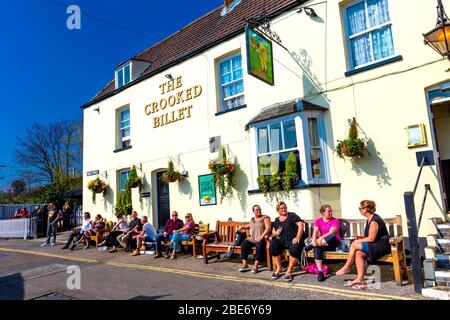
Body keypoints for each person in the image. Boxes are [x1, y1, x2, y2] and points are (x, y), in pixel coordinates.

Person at [335, 200, 391, 289]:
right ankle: (360, 278)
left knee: (354, 244)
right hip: (375, 245)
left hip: (381, 246)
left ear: (366, 209)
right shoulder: (370, 219)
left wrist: (358, 241)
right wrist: (359, 239)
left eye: (360, 208)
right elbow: (371, 237)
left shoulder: (374, 221)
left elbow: (371, 238)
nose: (359, 210)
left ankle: (346, 267)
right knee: (358, 254)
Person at [269, 201, 306, 282]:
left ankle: (289, 270)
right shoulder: (276, 219)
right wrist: (276, 233)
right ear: (278, 210)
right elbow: (273, 231)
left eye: (284, 207)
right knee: (273, 246)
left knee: (294, 248)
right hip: (282, 240)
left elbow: (301, 225)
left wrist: (297, 237)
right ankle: (279, 268)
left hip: (292, 239)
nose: (283, 209)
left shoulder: (292, 215)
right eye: (281, 208)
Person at [237, 205, 271, 274]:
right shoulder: (252, 219)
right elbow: (250, 225)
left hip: (261, 238)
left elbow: (268, 228)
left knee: (259, 247)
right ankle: (245, 264)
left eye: (259, 209)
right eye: (256, 210)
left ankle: (256, 266)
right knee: (243, 245)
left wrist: (261, 237)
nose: (258, 211)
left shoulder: (265, 218)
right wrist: (242, 227)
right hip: (252, 239)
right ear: (253, 211)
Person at [311, 204, 341, 282]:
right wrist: (314, 240)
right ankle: (320, 272)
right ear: (323, 212)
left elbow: (331, 233)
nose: (331, 212)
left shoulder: (335, 220)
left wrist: (320, 238)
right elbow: (315, 231)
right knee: (317, 247)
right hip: (323, 243)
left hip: (334, 243)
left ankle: (315, 245)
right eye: (329, 211)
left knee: (332, 236)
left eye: (331, 211)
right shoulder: (318, 221)